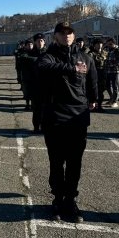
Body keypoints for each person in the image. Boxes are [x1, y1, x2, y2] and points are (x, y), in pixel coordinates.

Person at [37, 24, 98, 222]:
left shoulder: (85, 57)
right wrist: (71, 68)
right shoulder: (50, 55)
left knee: (74, 161)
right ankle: (57, 198)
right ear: (55, 36)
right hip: (55, 116)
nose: (67, 36)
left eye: (69, 33)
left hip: (77, 116)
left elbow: (92, 80)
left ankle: (70, 199)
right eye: (62, 33)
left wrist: (94, 98)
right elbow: (42, 67)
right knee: (56, 161)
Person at [88, 38, 107, 112]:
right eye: (97, 44)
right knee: (94, 91)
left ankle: (99, 106)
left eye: (101, 44)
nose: (99, 45)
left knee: (101, 92)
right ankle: (93, 106)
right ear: (94, 45)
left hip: (103, 74)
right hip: (94, 73)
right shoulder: (91, 54)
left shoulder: (105, 53)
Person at [15, 40, 34, 110]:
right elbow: (23, 58)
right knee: (26, 91)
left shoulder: (35, 52)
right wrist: (35, 59)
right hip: (26, 75)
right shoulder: (23, 52)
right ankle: (27, 104)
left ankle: (32, 104)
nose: (30, 46)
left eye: (31, 44)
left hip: (34, 75)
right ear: (25, 46)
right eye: (28, 45)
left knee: (33, 91)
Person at [104, 37, 119, 108]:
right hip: (108, 71)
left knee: (115, 87)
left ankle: (115, 101)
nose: (109, 45)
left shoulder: (118, 50)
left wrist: (111, 63)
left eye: (111, 44)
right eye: (108, 44)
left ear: (114, 43)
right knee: (107, 86)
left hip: (115, 71)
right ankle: (111, 98)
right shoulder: (107, 50)